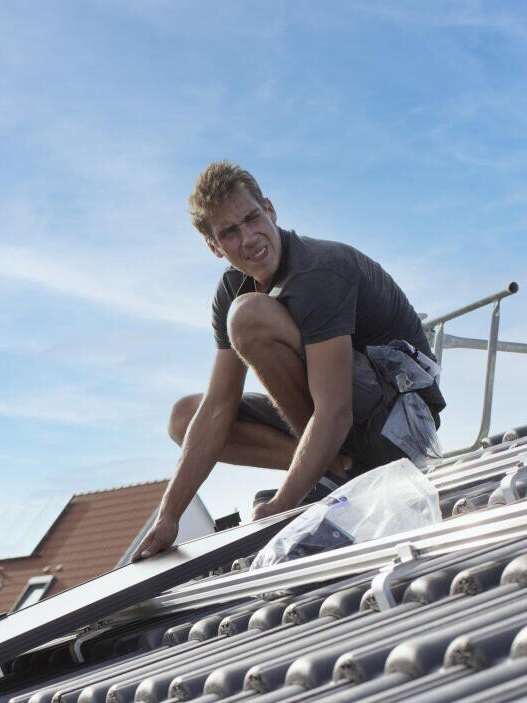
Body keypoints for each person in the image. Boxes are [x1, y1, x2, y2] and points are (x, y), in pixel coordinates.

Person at [134, 161, 442, 560]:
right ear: (214, 246)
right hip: (342, 424)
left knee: (248, 317)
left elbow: (335, 410)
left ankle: (325, 474)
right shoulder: (231, 288)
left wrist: (283, 505)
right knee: (184, 417)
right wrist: (168, 516)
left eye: (252, 218)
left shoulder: (319, 270)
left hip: (399, 425)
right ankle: (335, 471)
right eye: (229, 232)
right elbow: (216, 409)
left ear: (270, 209)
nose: (249, 238)